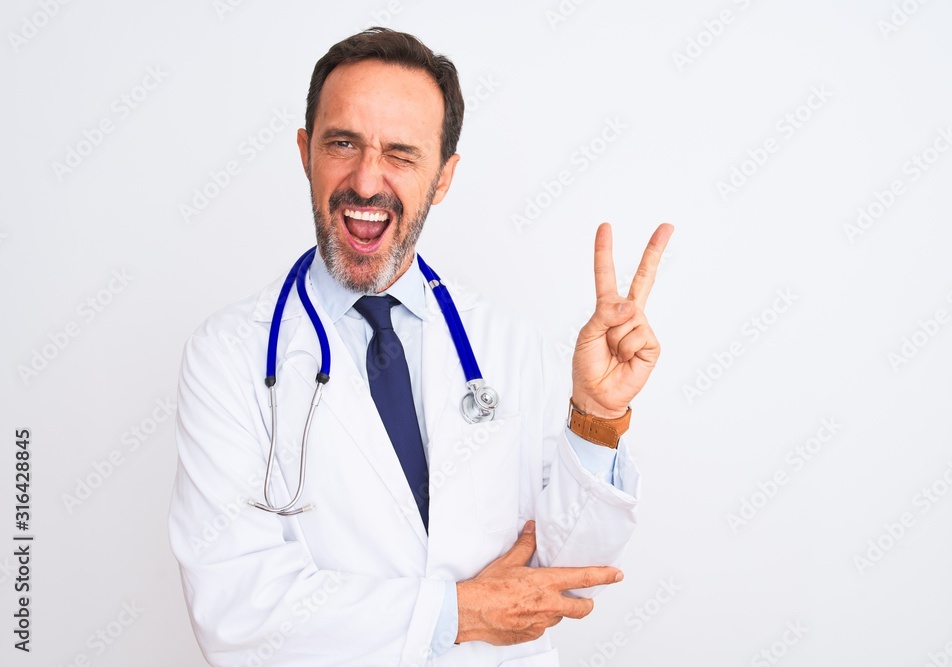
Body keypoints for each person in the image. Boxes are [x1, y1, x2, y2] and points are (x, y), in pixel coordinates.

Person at [168, 27, 673, 667]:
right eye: (342, 143)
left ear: (443, 177)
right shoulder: (229, 357)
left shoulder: (508, 342)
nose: (366, 182)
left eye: (401, 154)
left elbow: (564, 573)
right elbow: (235, 611)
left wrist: (597, 420)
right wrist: (460, 612)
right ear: (304, 152)